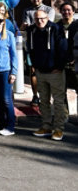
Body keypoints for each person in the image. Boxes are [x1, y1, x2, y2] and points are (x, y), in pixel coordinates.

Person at [26, 10, 68, 141]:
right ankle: (46, 126)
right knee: (43, 101)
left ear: (47, 17)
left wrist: (59, 67)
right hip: (40, 71)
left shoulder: (56, 28)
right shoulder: (31, 30)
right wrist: (34, 65)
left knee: (58, 102)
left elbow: (63, 48)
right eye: (37, 19)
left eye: (42, 18)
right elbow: (30, 48)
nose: (40, 21)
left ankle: (59, 129)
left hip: (55, 72)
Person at [58, 3, 78, 115]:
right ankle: (64, 115)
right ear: (61, 12)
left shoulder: (77, 25)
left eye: (69, 10)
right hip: (61, 64)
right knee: (61, 91)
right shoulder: (56, 26)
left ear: (73, 12)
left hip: (76, 63)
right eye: (64, 10)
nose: (66, 12)